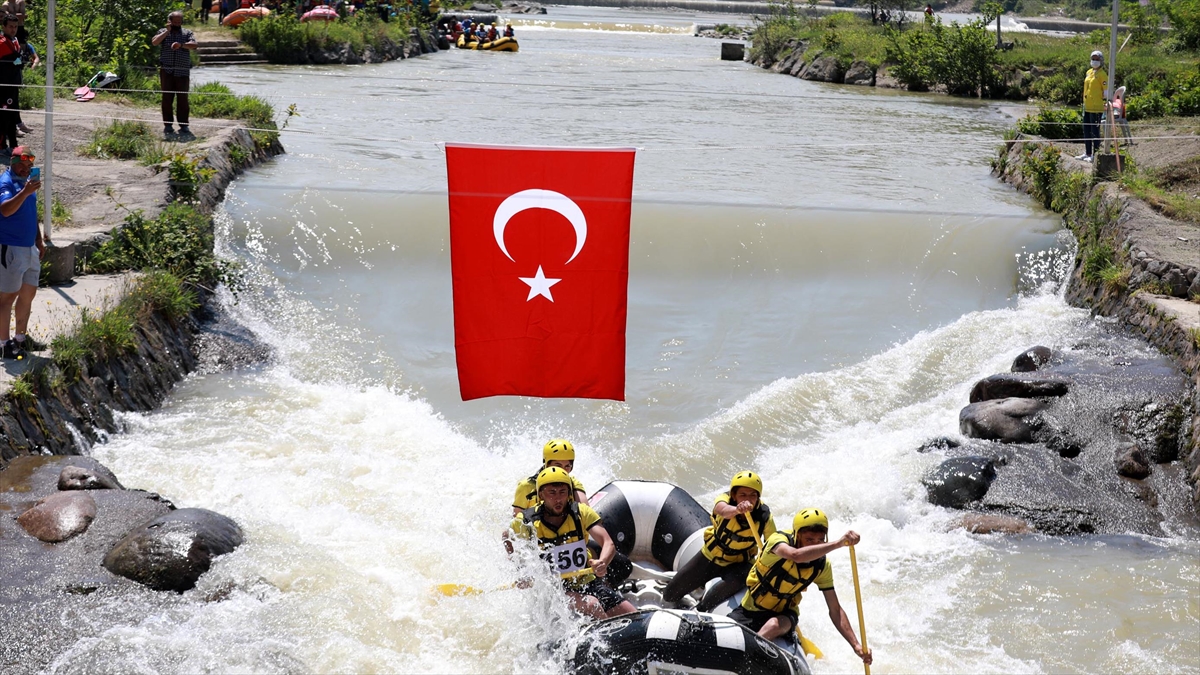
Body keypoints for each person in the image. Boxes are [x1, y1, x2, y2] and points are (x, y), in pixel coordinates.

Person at [729, 508, 872, 667]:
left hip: (785, 615)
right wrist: (838, 543)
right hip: (751, 609)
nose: (816, 545)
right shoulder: (778, 542)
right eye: (809, 539)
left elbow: (835, 609)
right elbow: (796, 556)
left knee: (773, 626)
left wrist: (856, 645)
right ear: (797, 535)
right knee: (726, 632)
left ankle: (745, 662)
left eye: (820, 540)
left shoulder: (822, 566)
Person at [504, 467, 637, 620]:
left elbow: (608, 543)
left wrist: (603, 562)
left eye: (562, 492)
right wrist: (521, 569)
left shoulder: (581, 512)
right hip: (554, 589)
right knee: (592, 605)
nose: (558, 499)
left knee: (632, 614)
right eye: (552, 493)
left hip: (586, 581)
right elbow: (506, 537)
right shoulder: (527, 521)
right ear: (541, 494)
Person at [661, 471, 776, 611]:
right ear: (734, 495)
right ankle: (694, 590)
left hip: (740, 563)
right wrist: (737, 510)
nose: (748, 499)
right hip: (711, 556)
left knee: (740, 577)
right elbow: (722, 510)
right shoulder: (724, 500)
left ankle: (701, 609)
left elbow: (772, 543)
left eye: (753, 495)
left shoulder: (764, 516)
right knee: (670, 594)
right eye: (743, 495)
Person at [0, 146, 42, 360]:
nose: (26, 169)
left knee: (28, 293)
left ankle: (20, 338)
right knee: (7, 298)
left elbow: (32, 212)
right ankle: (4, 344)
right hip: (11, 248)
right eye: (22, 165)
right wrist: (25, 192)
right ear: (12, 163)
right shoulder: (5, 182)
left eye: (29, 166)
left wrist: (39, 240)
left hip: (29, 247)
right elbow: (5, 210)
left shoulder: (28, 186)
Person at [151, 11, 198, 140]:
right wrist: (167, 31)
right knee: (167, 98)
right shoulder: (163, 32)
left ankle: (183, 125)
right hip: (167, 71)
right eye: (174, 22)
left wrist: (181, 45)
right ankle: (168, 125)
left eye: (179, 22)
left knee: (183, 99)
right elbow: (154, 42)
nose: (177, 24)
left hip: (182, 71)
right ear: (170, 21)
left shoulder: (187, 33)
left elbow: (194, 45)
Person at [512, 439, 589, 515]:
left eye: (567, 466)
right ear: (546, 464)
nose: (562, 470)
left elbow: (585, 510)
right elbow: (517, 519)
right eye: (558, 465)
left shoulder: (573, 483)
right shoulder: (526, 486)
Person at [1077, 50, 1107, 163]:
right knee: (1087, 130)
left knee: (1095, 130)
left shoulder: (1102, 75)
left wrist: (1102, 101)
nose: (1094, 61)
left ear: (1101, 61)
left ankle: (1096, 154)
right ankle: (1087, 152)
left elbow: (1106, 92)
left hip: (1096, 107)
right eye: (1093, 59)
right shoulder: (1089, 72)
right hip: (1087, 105)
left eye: (1097, 59)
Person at [0, 15, 21, 154]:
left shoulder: (14, 41)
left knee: (13, 116)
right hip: (3, 86)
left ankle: (13, 144)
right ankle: (1, 147)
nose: (13, 30)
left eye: (15, 27)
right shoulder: (1, 43)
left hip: (13, 84)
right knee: (3, 117)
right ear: (4, 27)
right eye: (10, 27)